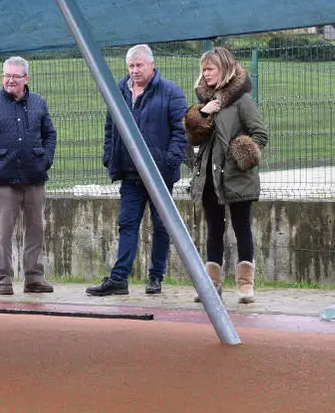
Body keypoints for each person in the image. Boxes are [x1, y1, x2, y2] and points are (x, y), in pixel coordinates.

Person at [86, 44, 188, 296]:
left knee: (162, 226)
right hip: (130, 174)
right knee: (127, 224)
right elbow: (111, 126)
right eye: (131, 66)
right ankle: (119, 279)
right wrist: (110, 157)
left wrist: (169, 161)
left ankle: (155, 277)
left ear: (152, 65)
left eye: (139, 65)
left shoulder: (171, 92)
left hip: (159, 174)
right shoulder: (119, 91)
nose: (134, 70)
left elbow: (181, 130)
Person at [183, 47, 268, 304]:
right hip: (209, 177)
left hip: (237, 178)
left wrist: (240, 155)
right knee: (213, 230)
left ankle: (245, 285)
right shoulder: (206, 102)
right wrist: (204, 112)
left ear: (225, 69)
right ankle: (211, 285)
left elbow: (260, 135)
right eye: (203, 69)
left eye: (210, 69)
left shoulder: (242, 101)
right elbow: (194, 136)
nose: (205, 74)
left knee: (242, 228)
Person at [0, 56, 57, 296]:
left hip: (34, 177)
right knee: (3, 233)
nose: (9, 80)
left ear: (26, 79)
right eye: (6, 75)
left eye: (14, 76)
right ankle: (4, 280)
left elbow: (50, 134)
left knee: (35, 230)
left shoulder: (39, 103)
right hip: (3, 179)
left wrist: (46, 160)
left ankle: (34, 279)